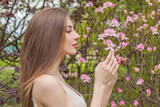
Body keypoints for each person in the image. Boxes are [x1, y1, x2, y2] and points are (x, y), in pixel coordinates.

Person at [19, 7, 120, 107]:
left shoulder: (55, 77)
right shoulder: (46, 83)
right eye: (68, 31)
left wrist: (108, 84)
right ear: (51, 36)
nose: (77, 35)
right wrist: (99, 84)